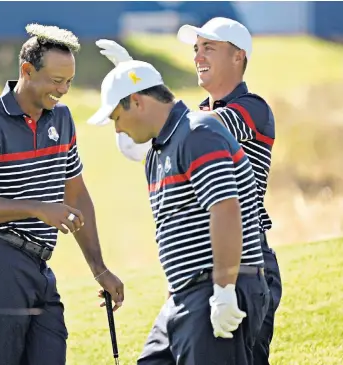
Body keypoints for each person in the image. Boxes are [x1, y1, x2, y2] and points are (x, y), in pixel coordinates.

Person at [97, 16, 282, 365]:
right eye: (196, 49)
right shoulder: (192, 121)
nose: (198, 56)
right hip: (202, 264)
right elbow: (141, 145)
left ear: (238, 56)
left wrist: (142, 84)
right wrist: (130, 94)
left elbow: (189, 126)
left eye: (209, 48)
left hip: (244, 259)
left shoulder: (250, 108)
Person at [0, 23, 124, 365]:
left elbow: (75, 193)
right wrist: (38, 209)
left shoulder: (62, 118)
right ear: (26, 71)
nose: (63, 90)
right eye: (56, 81)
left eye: (69, 82)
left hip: (38, 267)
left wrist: (99, 268)